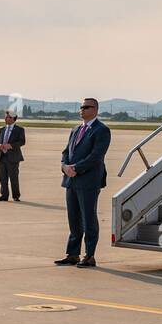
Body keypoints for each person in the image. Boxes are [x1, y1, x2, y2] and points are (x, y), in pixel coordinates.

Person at [54, 98, 110, 268]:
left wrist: (77, 168)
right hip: (71, 180)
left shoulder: (101, 130)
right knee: (74, 219)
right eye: (81, 107)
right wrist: (64, 166)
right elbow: (66, 151)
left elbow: (96, 156)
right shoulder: (76, 129)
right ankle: (73, 254)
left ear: (95, 109)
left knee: (88, 218)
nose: (82, 110)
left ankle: (90, 255)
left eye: (86, 107)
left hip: (88, 181)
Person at [0, 111, 25, 201]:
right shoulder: (1, 129)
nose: (5, 119)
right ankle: (4, 195)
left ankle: (16, 196)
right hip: (2, 157)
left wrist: (10, 145)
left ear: (12, 119)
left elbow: (22, 141)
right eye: (5, 117)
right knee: (2, 178)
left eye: (7, 117)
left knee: (14, 178)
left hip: (13, 158)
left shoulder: (19, 130)